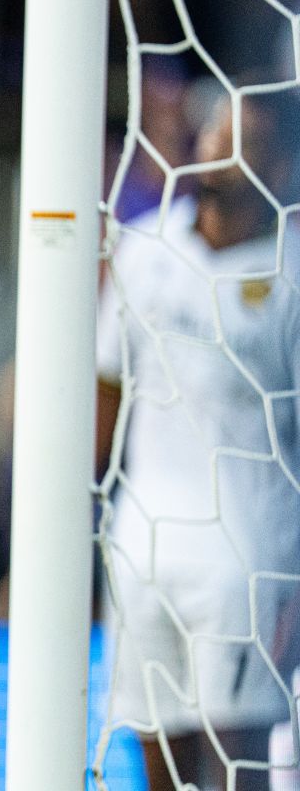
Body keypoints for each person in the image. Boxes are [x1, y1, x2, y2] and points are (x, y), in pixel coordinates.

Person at [96, 93, 300, 791]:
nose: (219, 147)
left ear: (280, 166)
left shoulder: (290, 273)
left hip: (247, 556)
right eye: (216, 128)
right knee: (157, 756)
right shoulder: (145, 247)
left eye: (244, 139)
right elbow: (107, 384)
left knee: (237, 761)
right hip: (144, 541)